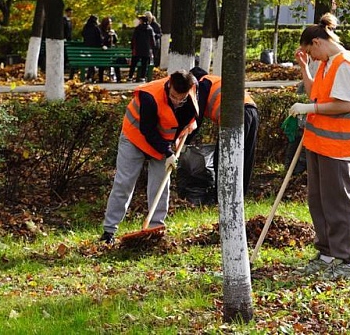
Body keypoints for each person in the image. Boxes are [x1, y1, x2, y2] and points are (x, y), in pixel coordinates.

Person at [290, 13, 350, 281]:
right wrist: (305, 68)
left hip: (337, 145)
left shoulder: (344, 63)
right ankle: (326, 254)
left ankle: (345, 260)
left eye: (310, 52)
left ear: (318, 42)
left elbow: (344, 104)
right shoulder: (325, 63)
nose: (312, 57)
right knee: (318, 201)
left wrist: (310, 108)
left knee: (337, 202)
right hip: (318, 142)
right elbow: (315, 93)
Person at [100, 71, 199, 244]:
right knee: (124, 182)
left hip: (163, 142)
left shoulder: (191, 94)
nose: (177, 101)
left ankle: (155, 229)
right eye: (174, 97)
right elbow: (147, 130)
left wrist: (186, 131)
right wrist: (168, 152)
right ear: (169, 85)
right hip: (135, 137)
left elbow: (188, 120)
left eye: (181, 98)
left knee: (160, 184)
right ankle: (109, 231)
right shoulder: (150, 95)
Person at [189, 67, 260, 195]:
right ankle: (240, 195)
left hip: (236, 115)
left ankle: (222, 195)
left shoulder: (203, 84)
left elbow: (197, 116)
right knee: (245, 156)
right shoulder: (215, 80)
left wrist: (186, 140)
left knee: (222, 156)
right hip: (252, 110)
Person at [128, 14, 156, 82]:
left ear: (142, 21)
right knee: (144, 64)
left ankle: (130, 77)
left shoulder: (138, 28)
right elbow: (152, 40)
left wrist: (132, 47)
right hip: (146, 50)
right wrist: (153, 47)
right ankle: (142, 77)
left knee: (133, 64)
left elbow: (134, 39)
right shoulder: (150, 29)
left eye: (140, 20)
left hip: (137, 49)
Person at [81, 15, 104, 82]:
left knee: (91, 62)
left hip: (87, 48)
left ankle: (90, 75)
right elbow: (99, 38)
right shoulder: (96, 28)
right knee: (95, 61)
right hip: (95, 48)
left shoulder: (86, 27)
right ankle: (92, 76)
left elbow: (82, 34)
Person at [100, 16, 120, 82]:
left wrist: (114, 35)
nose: (110, 24)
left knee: (116, 61)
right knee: (101, 64)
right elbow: (102, 41)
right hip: (103, 53)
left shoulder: (111, 31)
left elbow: (115, 41)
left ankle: (118, 79)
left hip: (111, 53)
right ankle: (100, 79)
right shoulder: (101, 31)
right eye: (109, 22)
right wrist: (108, 35)